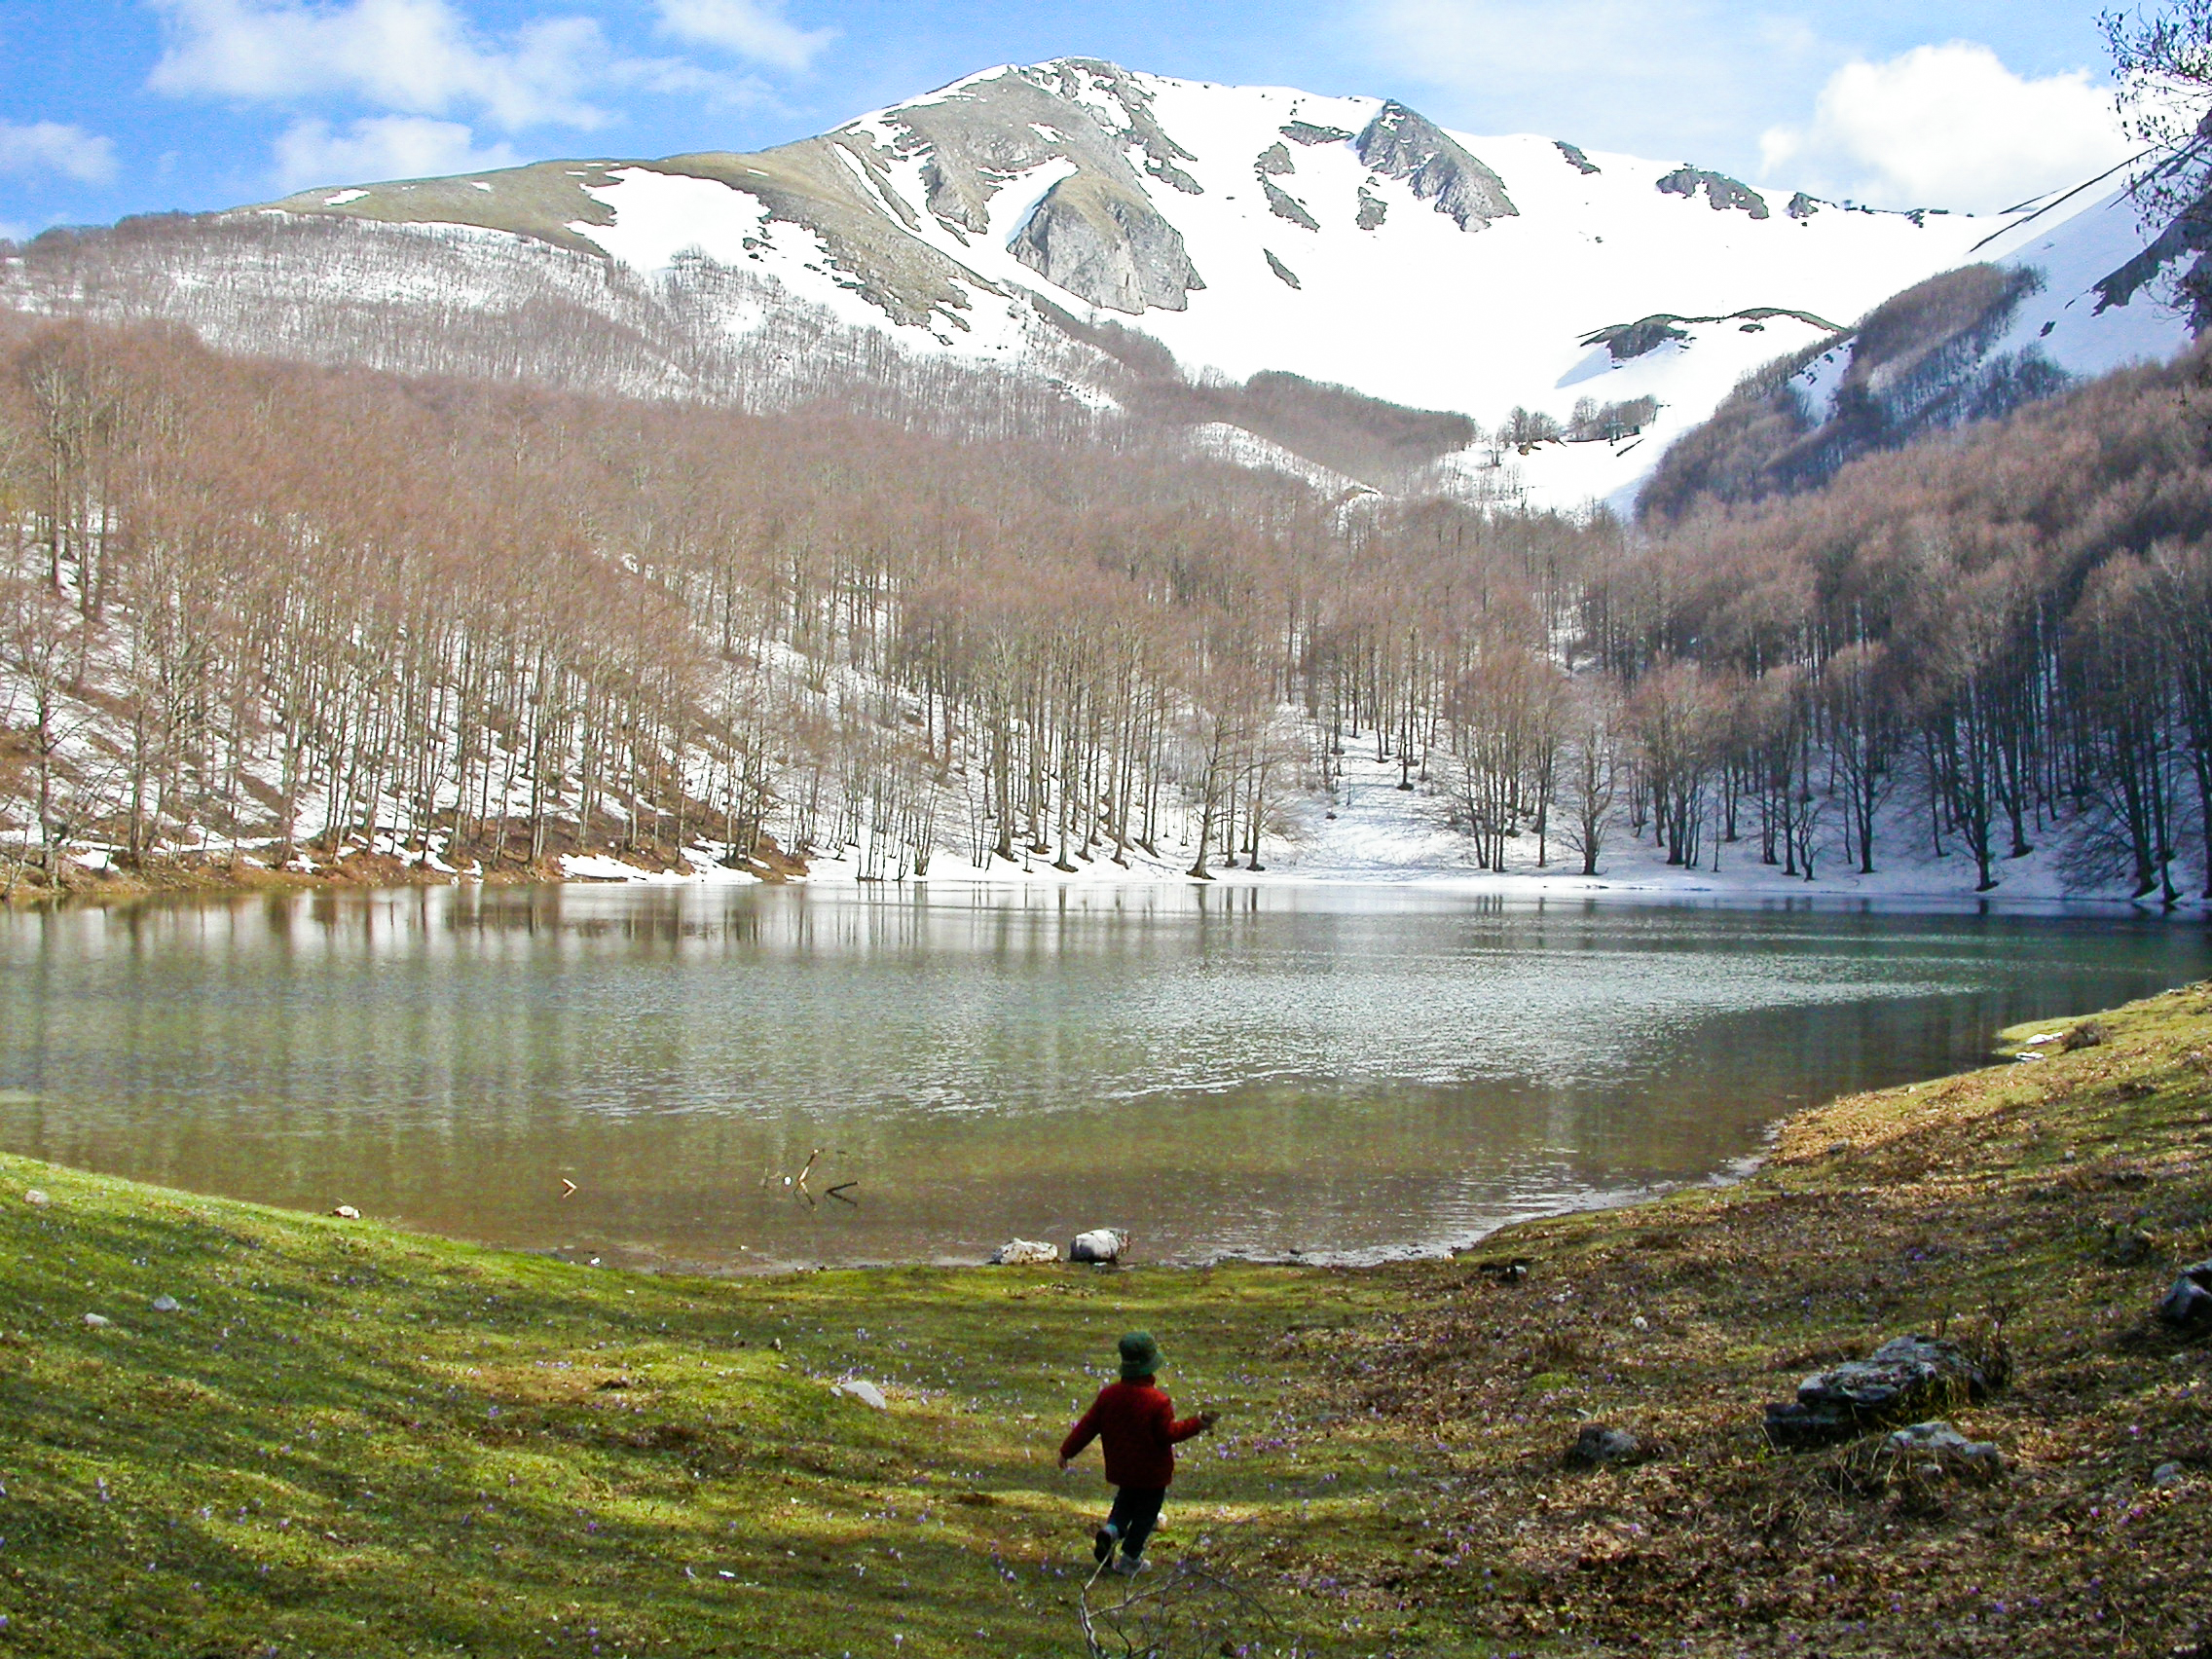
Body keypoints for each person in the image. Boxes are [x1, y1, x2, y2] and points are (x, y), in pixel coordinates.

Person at [1056, 1330, 1217, 1576]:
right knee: (1145, 1516)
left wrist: (1067, 1451)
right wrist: (1197, 1423)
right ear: (1151, 1367)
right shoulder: (1158, 1401)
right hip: (1152, 1474)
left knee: (1125, 1503)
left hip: (1123, 1470)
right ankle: (1131, 1558)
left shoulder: (1109, 1396)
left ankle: (1111, 1531)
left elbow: (1087, 1426)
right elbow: (1168, 1434)